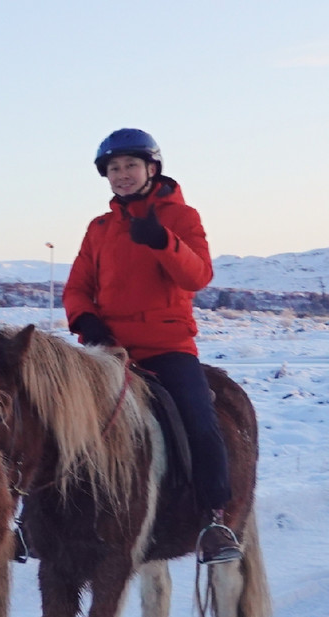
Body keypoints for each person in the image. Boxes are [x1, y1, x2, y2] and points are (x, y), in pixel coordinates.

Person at [63, 128, 242, 563]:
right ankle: (42, 519)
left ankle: (215, 519)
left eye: (130, 166)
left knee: (199, 419)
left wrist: (163, 241)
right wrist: (86, 320)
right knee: (56, 417)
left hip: (167, 344)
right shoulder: (100, 227)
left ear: (151, 169)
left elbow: (197, 276)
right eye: (113, 169)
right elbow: (78, 286)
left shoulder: (182, 218)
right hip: (110, 349)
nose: (121, 175)